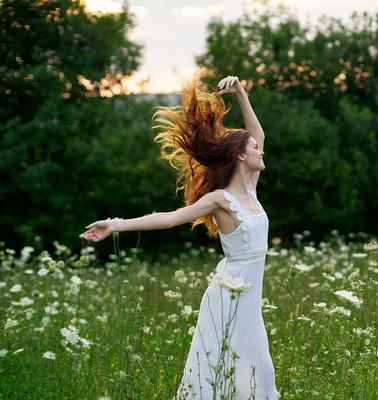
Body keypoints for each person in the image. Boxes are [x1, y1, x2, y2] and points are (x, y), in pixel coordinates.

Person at [79, 76, 280, 399]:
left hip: (249, 298)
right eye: (254, 149)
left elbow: (258, 134)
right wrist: (115, 225)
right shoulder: (220, 199)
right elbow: (170, 219)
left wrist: (241, 93)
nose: (261, 149)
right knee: (219, 368)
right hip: (228, 296)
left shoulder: (251, 190)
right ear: (241, 156)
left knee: (253, 368)